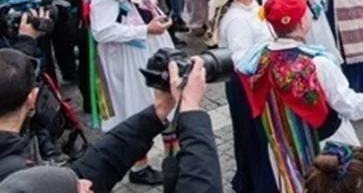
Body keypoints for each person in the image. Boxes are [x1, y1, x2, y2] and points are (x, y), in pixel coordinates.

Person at [236, 0, 363, 193]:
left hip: (284, 148)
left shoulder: (256, 59)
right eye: (306, 11)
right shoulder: (316, 63)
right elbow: (353, 108)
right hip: (328, 148)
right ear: (302, 23)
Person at [0, 51, 221, 193]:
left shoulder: (16, 167)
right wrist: (191, 109)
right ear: (32, 97)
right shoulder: (14, 171)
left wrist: (157, 112)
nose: (85, 186)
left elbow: (86, 170)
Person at [85, 0, 174, 185]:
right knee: (139, 109)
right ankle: (139, 167)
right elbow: (101, 30)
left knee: (162, 103)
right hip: (130, 55)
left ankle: (161, 159)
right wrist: (144, 30)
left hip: (146, 45)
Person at [204, 0, 275, 193]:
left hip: (258, 80)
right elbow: (242, 59)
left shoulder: (250, 6)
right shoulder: (237, 20)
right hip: (248, 85)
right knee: (253, 135)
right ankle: (258, 182)